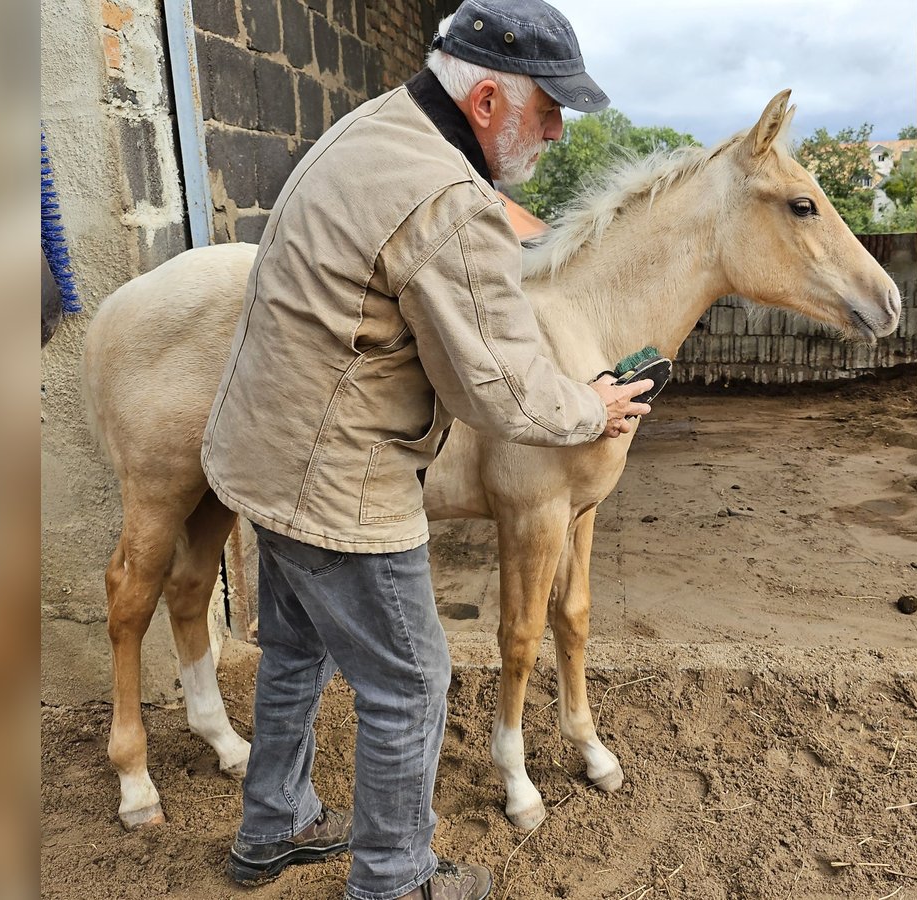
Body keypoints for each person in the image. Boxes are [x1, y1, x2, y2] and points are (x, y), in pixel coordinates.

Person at [201, 2, 653, 898]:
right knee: (412, 682)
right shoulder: (448, 197)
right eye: (549, 110)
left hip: (260, 452)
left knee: (295, 652)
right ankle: (395, 881)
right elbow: (501, 386)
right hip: (336, 478)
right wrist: (591, 408)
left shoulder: (372, 127)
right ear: (486, 99)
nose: (558, 134)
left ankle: (274, 827)